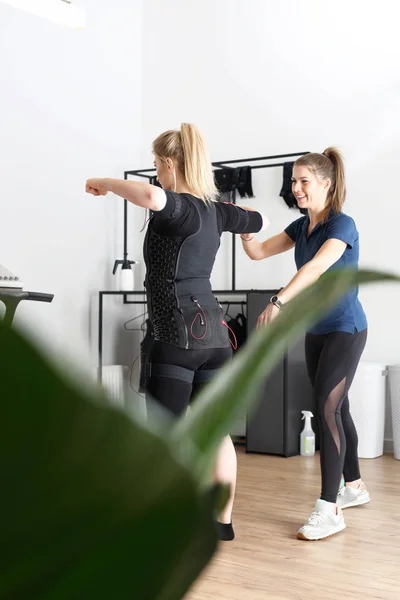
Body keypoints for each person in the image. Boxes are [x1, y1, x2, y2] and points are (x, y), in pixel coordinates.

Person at [86, 123, 266, 541]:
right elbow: (260, 217)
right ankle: (221, 525)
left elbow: (151, 196)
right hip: (217, 339)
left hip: (175, 336)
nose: (155, 174)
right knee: (218, 433)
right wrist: (247, 230)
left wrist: (104, 183)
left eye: (156, 165)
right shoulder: (218, 209)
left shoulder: (180, 207)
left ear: (170, 163)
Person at [241, 147, 370, 541]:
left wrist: (279, 301)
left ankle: (329, 508)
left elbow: (315, 268)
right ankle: (354, 486)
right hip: (317, 331)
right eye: (293, 181)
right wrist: (242, 229)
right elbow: (259, 251)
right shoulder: (301, 227)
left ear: (325, 184)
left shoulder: (342, 225)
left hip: (346, 329)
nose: (295, 188)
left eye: (303, 181)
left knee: (326, 407)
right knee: (337, 406)